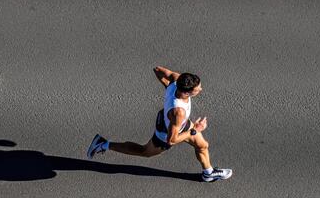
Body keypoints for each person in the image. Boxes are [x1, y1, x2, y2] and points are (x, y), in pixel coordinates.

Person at [87, 66, 232, 182]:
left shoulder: (176, 81)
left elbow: (157, 70)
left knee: (202, 145)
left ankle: (208, 173)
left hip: (180, 124)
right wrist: (195, 130)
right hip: (166, 133)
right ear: (186, 93)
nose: (201, 89)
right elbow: (172, 140)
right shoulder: (178, 112)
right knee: (144, 152)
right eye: (197, 89)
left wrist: (168, 85)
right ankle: (103, 144)